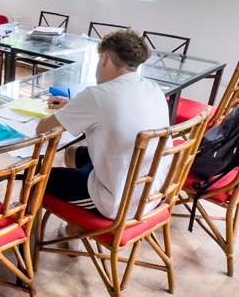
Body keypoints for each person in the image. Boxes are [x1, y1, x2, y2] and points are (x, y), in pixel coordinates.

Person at [36, 29, 170, 221]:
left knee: (37, 180)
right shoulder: (153, 88)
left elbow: (42, 129)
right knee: (72, 153)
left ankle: (37, 243)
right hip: (151, 190)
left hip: (118, 202)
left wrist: (64, 112)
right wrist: (73, 107)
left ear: (105, 58)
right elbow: (113, 116)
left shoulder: (98, 94)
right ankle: (74, 228)